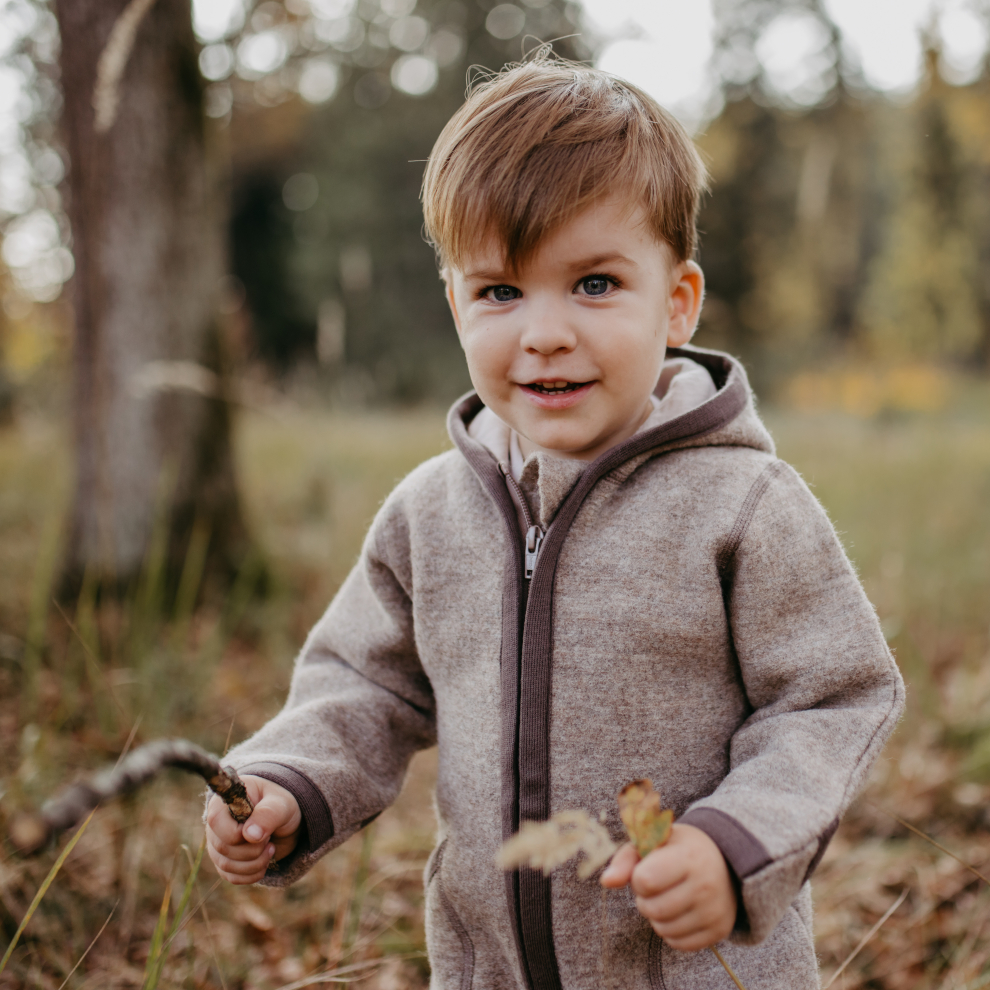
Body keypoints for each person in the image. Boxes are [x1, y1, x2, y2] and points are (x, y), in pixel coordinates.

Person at [205, 57, 904, 989]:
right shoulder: (430, 513)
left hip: (694, 966)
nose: (543, 332)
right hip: (490, 965)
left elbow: (832, 698)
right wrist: (290, 780)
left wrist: (736, 846)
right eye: (500, 291)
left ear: (678, 303)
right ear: (456, 304)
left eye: (595, 284)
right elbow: (364, 686)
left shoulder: (744, 507)